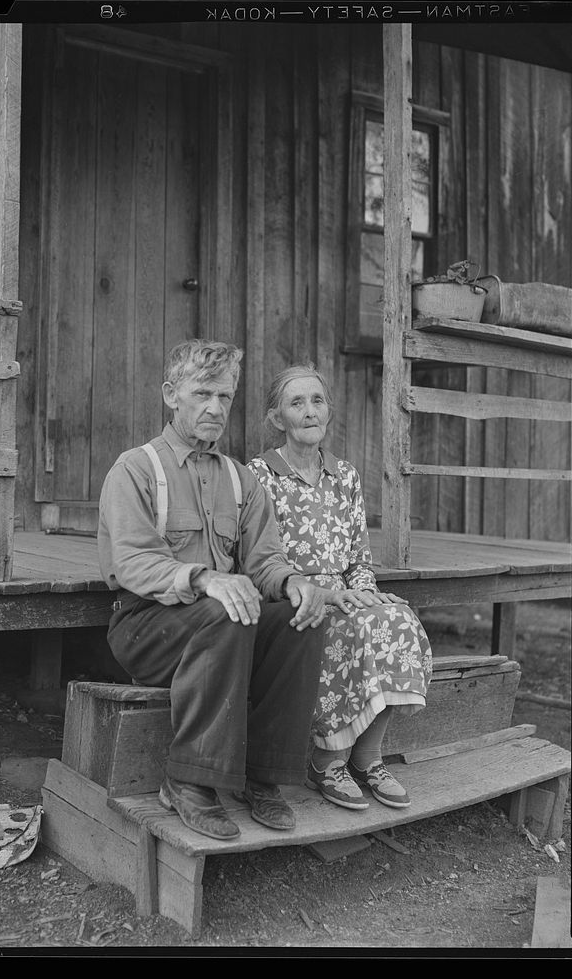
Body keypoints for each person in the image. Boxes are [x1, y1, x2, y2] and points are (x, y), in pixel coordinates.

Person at [97, 340, 329, 842]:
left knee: (302, 618)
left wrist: (294, 583)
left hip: (218, 628)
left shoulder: (240, 479)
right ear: (170, 395)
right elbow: (132, 561)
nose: (215, 408)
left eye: (224, 397)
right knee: (227, 610)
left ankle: (260, 773)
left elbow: (265, 559)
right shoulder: (136, 470)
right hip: (146, 626)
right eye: (202, 393)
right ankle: (188, 779)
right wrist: (205, 578)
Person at [247, 364, 432, 812]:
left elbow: (358, 558)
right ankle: (327, 761)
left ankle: (368, 758)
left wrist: (365, 593)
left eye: (317, 401)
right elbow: (259, 561)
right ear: (277, 419)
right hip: (295, 597)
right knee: (348, 630)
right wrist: (329, 596)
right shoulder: (260, 474)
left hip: (345, 593)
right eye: (297, 403)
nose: (310, 412)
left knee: (398, 620)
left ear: (328, 410)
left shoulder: (344, 475)